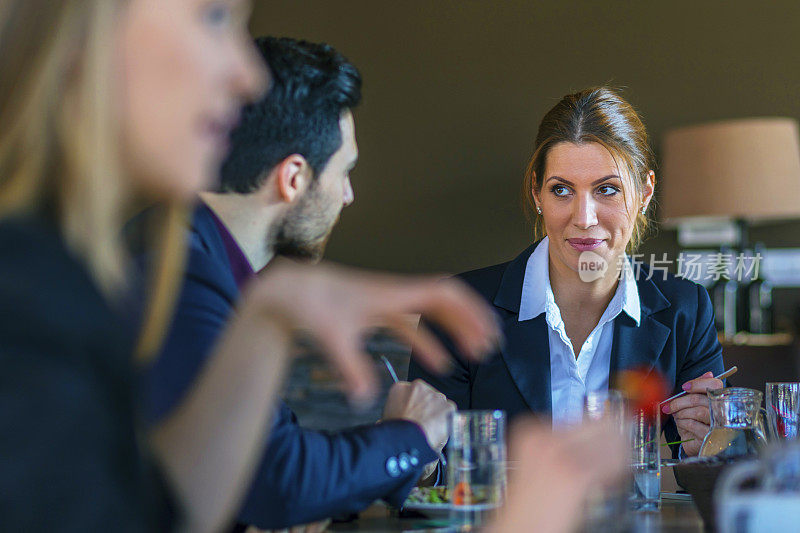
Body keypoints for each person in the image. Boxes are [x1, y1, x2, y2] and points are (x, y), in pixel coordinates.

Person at [0, 1, 503, 530]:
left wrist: (270, 315)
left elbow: (160, 512)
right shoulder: (116, 281)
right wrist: (413, 442)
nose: (245, 76)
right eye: (215, 17)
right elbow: (272, 484)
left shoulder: (81, 273)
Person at [144, 36, 462, 531]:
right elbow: (277, 481)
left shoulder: (202, 263)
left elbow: (279, 457)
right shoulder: (180, 275)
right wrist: (411, 437)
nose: (349, 195)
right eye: (345, 172)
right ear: (293, 178)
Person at [409, 87, 725, 458]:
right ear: (536, 195)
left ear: (645, 193)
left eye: (607, 189)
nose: (584, 218)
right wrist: (418, 459)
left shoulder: (686, 309)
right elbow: (428, 485)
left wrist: (709, 445)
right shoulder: (456, 307)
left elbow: (711, 475)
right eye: (561, 190)